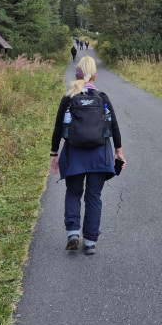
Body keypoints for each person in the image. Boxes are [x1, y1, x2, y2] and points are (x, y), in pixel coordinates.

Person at [49, 56, 126, 255]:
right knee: (94, 196)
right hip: (100, 156)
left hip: (74, 155)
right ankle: (90, 241)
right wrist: (118, 152)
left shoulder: (69, 98)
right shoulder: (102, 97)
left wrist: (54, 153)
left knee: (73, 193)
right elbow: (114, 126)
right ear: (94, 76)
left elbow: (59, 128)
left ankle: (73, 233)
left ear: (76, 73)